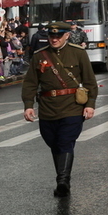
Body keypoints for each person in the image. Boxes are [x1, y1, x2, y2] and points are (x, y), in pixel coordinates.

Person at [20, 21, 97, 197]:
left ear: (67, 35)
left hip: (72, 107)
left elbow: (90, 81)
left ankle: (63, 181)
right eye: (51, 36)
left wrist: (90, 104)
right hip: (47, 108)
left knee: (65, 141)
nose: (54, 39)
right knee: (54, 143)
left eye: (58, 36)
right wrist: (28, 106)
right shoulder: (40, 55)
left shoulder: (78, 53)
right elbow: (31, 83)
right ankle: (62, 178)